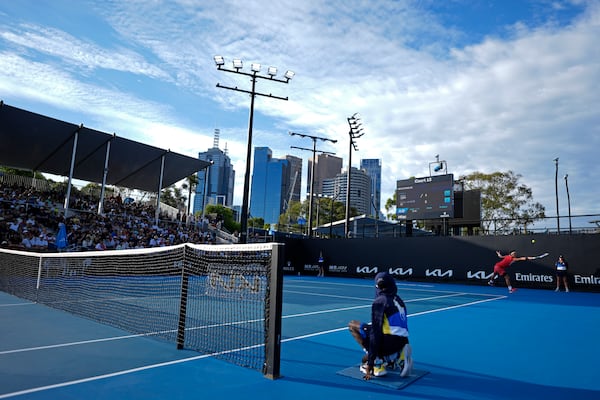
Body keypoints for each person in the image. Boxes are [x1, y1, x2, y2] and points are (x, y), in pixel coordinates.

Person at [349, 272, 412, 380]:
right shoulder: (399, 300)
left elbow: (375, 333)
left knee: (353, 325)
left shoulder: (380, 301)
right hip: (402, 342)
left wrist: (371, 361)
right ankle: (398, 357)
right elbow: (403, 326)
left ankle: (379, 363)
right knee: (365, 357)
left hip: (388, 344)